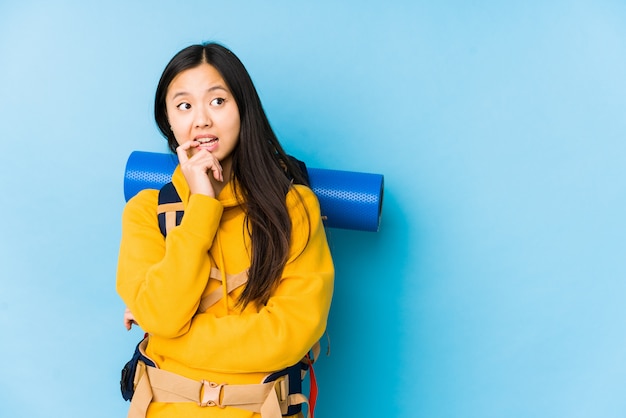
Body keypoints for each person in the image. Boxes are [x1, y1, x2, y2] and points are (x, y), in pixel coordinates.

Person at [116, 42, 334, 418]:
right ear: (168, 121)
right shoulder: (146, 212)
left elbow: (288, 336)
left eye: (217, 101)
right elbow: (164, 316)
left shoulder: (293, 208)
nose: (201, 120)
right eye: (184, 105)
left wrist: (169, 338)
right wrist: (202, 207)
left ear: (243, 110)